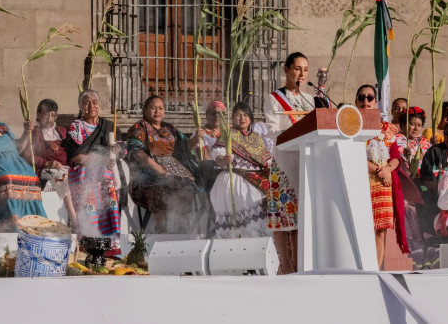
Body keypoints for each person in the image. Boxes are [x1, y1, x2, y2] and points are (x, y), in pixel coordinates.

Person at [264, 52, 315, 273]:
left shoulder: (311, 100)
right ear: (286, 70)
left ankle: (299, 265)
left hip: (306, 164)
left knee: (299, 220)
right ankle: (285, 265)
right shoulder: (274, 98)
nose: (301, 74)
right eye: (297, 69)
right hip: (284, 164)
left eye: (305, 70)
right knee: (284, 219)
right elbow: (273, 131)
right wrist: (297, 133)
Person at [126, 95, 202, 233]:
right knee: (159, 185)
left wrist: (196, 138)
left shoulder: (170, 128)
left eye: (161, 108)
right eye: (153, 108)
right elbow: (136, 152)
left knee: (188, 186)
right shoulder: (140, 127)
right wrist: (156, 166)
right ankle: (161, 225)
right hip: (147, 169)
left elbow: (185, 147)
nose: (157, 111)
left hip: (174, 168)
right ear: (145, 110)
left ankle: (180, 224)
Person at [63, 89, 123, 255]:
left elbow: (121, 147)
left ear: (100, 105)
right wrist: (101, 159)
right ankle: (87, 247)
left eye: (94, 102)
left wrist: (115, 151)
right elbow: (76, 156)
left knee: (109, 201)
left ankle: (110, 249)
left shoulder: (109, 126)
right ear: (80, 107)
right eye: (86, 102)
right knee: (88, 203)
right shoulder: (76, 127)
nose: (91, 105)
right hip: (83, 172)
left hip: (104, 174)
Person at [356, 84, 408, 268]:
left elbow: (395, 156)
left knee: (380, 230)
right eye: (361, 97)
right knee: (362, 229)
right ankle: (362, 269)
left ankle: (376, 270)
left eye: (370, 97)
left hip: (384, 183)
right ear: (356, 102)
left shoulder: (386, 127)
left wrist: (388, 169)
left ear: (375, 102)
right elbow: (352, 155)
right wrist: (380, 170)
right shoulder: (351, 126)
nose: (365, 101)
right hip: (361, 182)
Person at [0, 92, 47, 232]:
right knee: (8, 177)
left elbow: (17, 147)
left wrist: (26, 132)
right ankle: (12, 225)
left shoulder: (2, 127)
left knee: (31, 176)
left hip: (14, 163)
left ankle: (32, 225)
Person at [210, 102, 272, 239]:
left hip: (257, 177)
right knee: (246, 200)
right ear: (232, 118)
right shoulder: (228, 134)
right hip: (235, 177)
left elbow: (266, 159)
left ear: (250, 118)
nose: (242, 118)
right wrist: (224, 160)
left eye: (245, 115)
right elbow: (217, 156)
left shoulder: (256, 137)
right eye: (238, 115)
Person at [21, 99, 77, 228]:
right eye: (46, 114)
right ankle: (74, 219)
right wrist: (47, 163)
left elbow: (70, 150)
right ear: (39, 114)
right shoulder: (34, 132)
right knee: (60, 176)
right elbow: (27, 156)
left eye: (53, 114)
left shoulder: (62, 131)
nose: (49, 118)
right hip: (44, 170)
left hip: (64, 167)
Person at [417, 120, 448, 234]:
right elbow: (427, 178)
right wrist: (443, 192)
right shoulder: (434, 151)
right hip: (436, 196)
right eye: (447, 134)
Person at [394, 106, 431, 177]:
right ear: (403, 124)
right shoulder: (396, 140)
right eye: (412, 124)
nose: (416, 128)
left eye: (419, 125)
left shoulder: (424, 142)